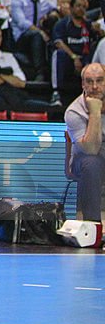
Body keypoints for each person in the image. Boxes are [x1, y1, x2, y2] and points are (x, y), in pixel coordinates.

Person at [64, 63, 105, 225]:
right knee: (91, 164)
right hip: (84, 159)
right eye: (89, 81)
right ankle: (92, 227)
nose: (94, 86)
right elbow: (91, 149)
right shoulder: (74, 111)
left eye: (100, 81)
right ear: (83, 84)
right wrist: (94, 112)